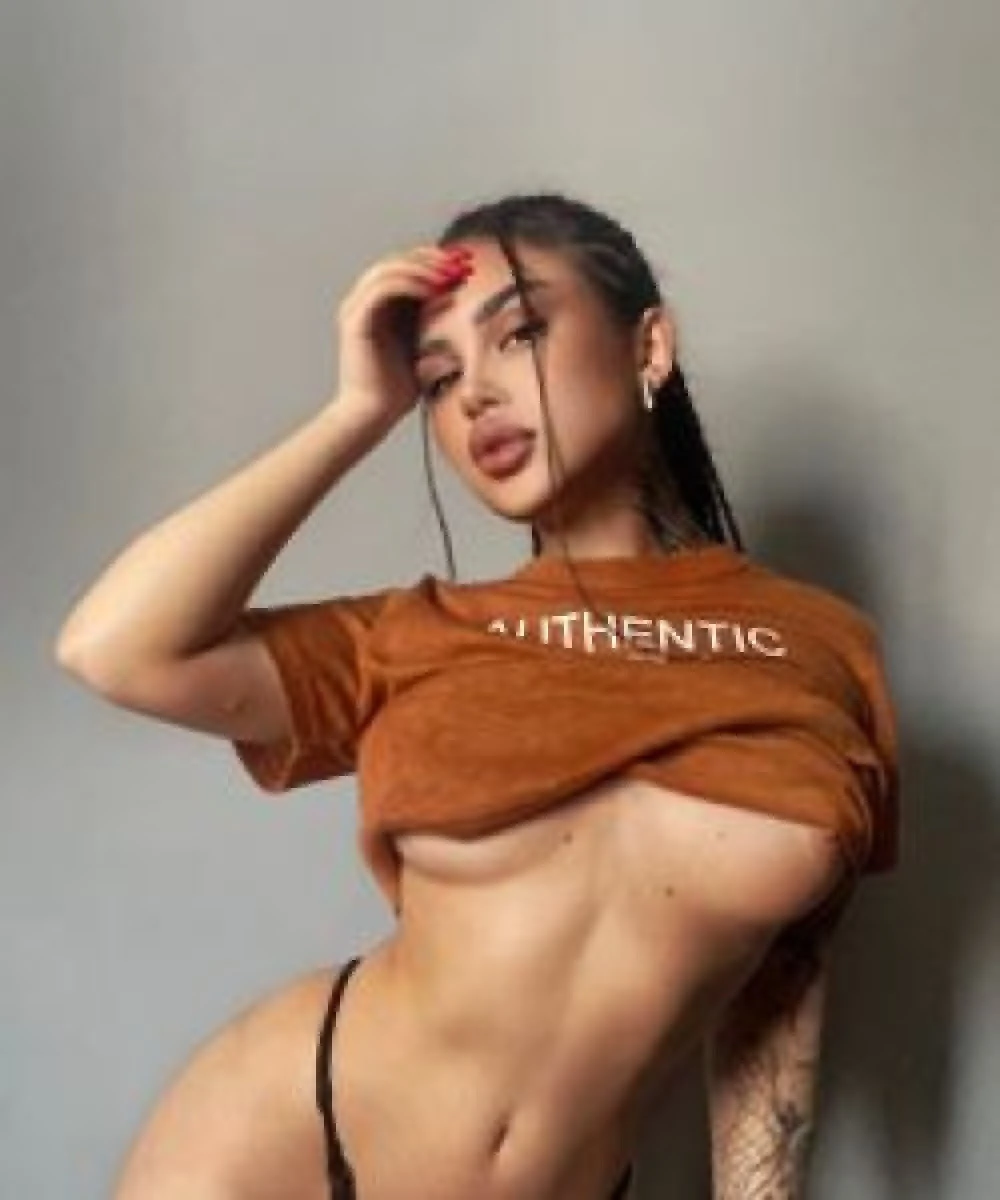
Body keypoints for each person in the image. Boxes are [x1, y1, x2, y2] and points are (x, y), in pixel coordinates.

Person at [55, 192, 900, 1200]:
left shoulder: (819, 647)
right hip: (285, 1145)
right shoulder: (419, 634)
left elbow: (782, 971)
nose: (475, 399)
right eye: (438, 378)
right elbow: (115, 648)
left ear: (649, 346)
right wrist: (356, 413)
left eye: (520, 334)